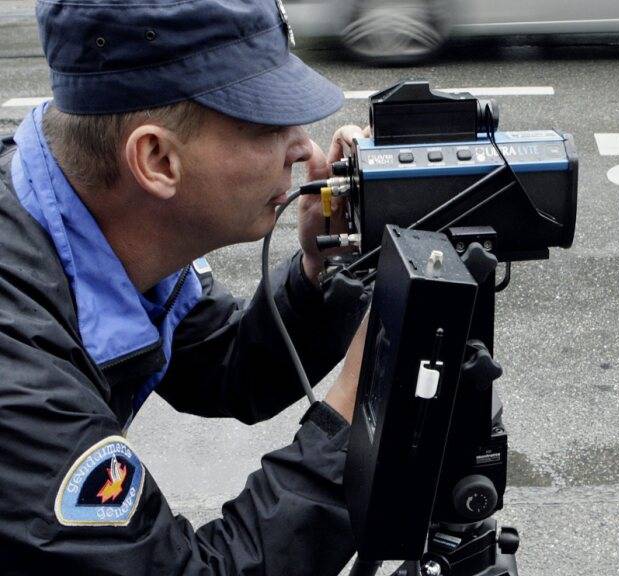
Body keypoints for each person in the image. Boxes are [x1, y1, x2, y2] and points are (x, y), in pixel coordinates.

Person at [0, 0, 373, 572]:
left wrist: (319, 272)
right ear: (155, 160)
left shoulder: (89, 216)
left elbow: (227, 367)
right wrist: (362, 416)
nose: (302, 148)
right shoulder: (19, 378)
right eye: (269, 124)